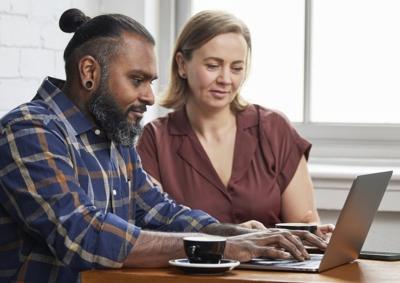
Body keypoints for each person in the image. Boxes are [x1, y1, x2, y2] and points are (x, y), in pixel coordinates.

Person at [0, 8, 327, 283]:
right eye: (137, 80)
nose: (150, 97)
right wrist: (222, 248)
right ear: (89, 72)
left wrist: (233, 233)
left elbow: (159, 211)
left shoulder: (116, 134)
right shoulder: (30, 130)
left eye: (151, 82)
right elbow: (82, 234)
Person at [137, 10, 334, 235]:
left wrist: (314, 235)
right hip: (194, 269)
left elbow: (304, 222)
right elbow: (152, 231)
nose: (226, 79)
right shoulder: (155, 140)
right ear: (182, 65)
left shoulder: (274, 129)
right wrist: (230, 235)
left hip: (274, 269)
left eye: (237, 68)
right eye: (212, 66)